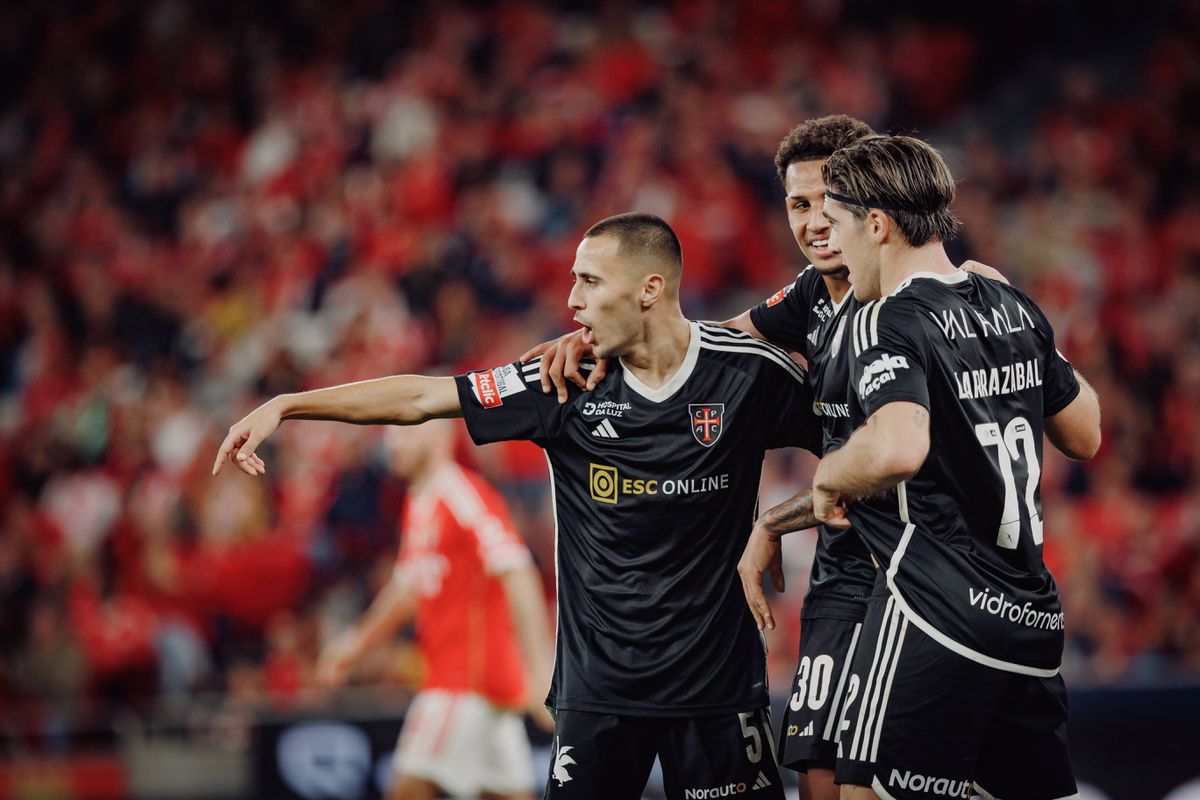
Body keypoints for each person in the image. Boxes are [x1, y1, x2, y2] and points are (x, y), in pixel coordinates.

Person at [213, 212, 824, 800]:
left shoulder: (749, 374)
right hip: (599, 694)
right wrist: (290, 404)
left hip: (718, 692)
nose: (572, 301)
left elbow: (859, 445)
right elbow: (423, 398)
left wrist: (780, 520)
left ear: (650, 289)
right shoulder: (561, 381)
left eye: (589, 281)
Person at [522, 115, 1005, 800]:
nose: (812, 222)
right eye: (798, 204)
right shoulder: (810, 295)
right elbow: (703, 344)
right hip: (845, 568)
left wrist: (772, 522)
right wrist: (608, 339)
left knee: (891, 780)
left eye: (827, 202)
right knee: (818, 773)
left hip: (923, 573)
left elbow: (932, 454)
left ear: (869, 204)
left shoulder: (924, 303)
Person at [808, 134, 1101, 800]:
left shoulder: (886, 319)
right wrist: (1027, 333)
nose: (833, 245)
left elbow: (897, 448)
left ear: (876, 224)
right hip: (1029, 623)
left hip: (936, 613)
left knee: (860, 794)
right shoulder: (1010, 303)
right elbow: (1086, 433)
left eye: (837, 225)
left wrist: (830, 473)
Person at [315, 421, 553, 800]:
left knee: (407, 789)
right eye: (391, 434)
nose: (393, 443)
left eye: (405, 431)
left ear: (440, 436)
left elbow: (518, 569)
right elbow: (407, 588)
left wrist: (540, 672)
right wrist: (355, 645)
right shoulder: (420, 500)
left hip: (463, 683)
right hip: (484, 690)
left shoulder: (460, 493)